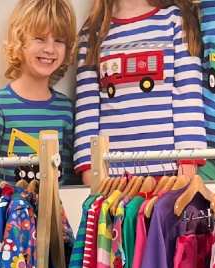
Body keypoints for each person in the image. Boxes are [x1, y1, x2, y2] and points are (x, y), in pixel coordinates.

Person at [73, 0, 206, 184]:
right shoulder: (93, 32)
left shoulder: (174, 20)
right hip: (111, 175)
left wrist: (189, 160)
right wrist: (90, 168)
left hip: (168, 171)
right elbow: (86, 109)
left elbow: (188, 94)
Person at [0, 0, 78, 185]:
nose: (49, 49)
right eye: (40, 38)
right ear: (20, 40)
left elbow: (70, 181)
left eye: (59, 40)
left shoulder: (66, 110)